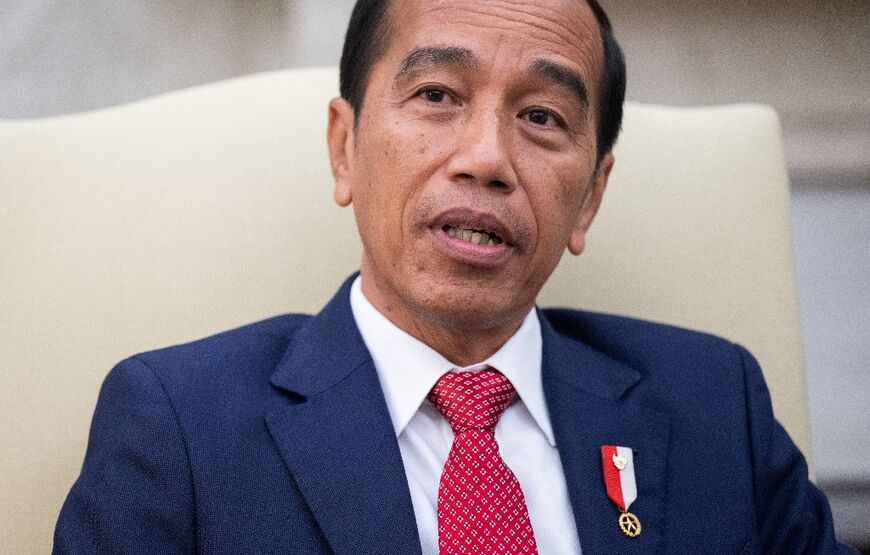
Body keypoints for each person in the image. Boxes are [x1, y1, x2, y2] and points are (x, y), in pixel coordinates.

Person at [54, 0, 857, 553]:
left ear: (591, 198)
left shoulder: (716, 405)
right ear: (345, 147)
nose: (486, 159)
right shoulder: (181, 426)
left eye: (541, 117)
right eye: (437, 94)